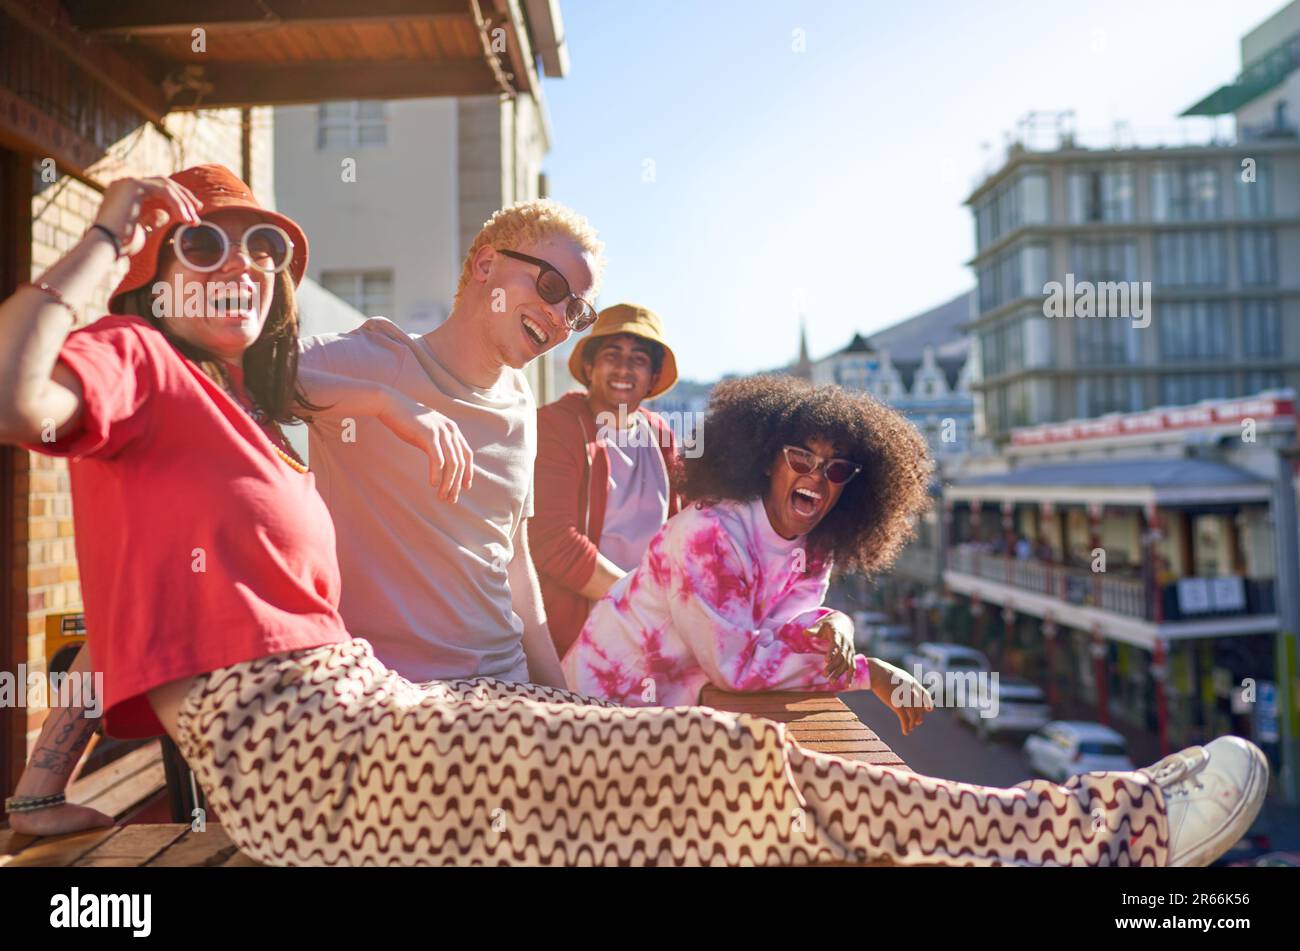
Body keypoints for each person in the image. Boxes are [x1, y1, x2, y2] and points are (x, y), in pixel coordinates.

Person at [1, 167, 1268, 868]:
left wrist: (38, 786)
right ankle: (1105, 831)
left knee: (729, 795)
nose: (251, 268)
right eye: (208, 246)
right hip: (340, 752)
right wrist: (113, 234)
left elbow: (133, 584)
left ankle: (1080, 836)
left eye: (269, 249)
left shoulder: (234, 422)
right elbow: (34, 411)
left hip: (441, 720)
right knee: (731, 774)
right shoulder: (199, 367)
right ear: (483, 266)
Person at [291, 199, 610, 687]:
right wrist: (386, 404)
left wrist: (558, 697)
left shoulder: (521, 405)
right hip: (401, 698)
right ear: (485, 265)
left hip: (507, 685)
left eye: (577, 310)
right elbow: (244, 375)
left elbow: (515, 563)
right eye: (551, 287)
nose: (560, 318)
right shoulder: (377, 361)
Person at [563, 375, 934, 718]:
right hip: (600, 706)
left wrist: (836, 624)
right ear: (770, 462)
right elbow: (736, 670)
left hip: (669, 716)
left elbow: (778, 634)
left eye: (835, 470)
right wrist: (869, 672)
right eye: (800, 458)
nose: (815, 476)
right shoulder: (707, 536)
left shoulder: (815, 549)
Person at [532, 303, 683, 656]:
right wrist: (642, 601)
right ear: (589, 366)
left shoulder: (661, 435)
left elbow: (685, 527)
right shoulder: (557, 426)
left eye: (639, 359)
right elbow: (552, 540)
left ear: (652, 378)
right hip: (576, 639)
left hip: (652, 637)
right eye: (612, 354)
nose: (624, 368)